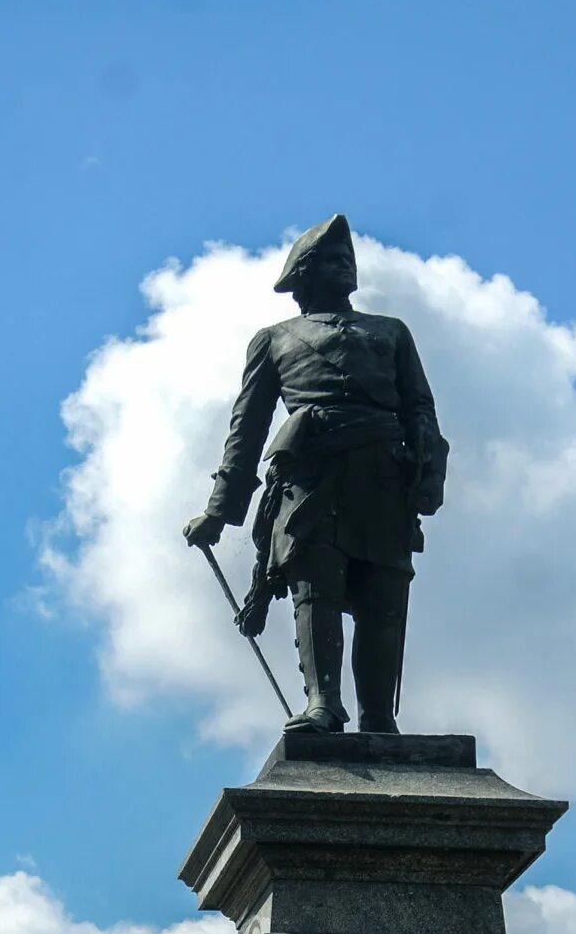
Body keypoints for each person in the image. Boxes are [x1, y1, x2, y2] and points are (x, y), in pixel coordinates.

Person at [183, 214, 448, 733]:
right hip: (313, 480)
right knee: (316, 589)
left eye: (347, 258)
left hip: (383, 477)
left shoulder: (390, 332)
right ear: (302, 276)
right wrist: (219, 511)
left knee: (383, 595)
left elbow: (421, 409)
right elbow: (248, 429)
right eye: (329, 260)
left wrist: (428, 474)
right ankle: (324, 702)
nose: (344, 265)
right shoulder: (274, 340)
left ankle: (378, 717)